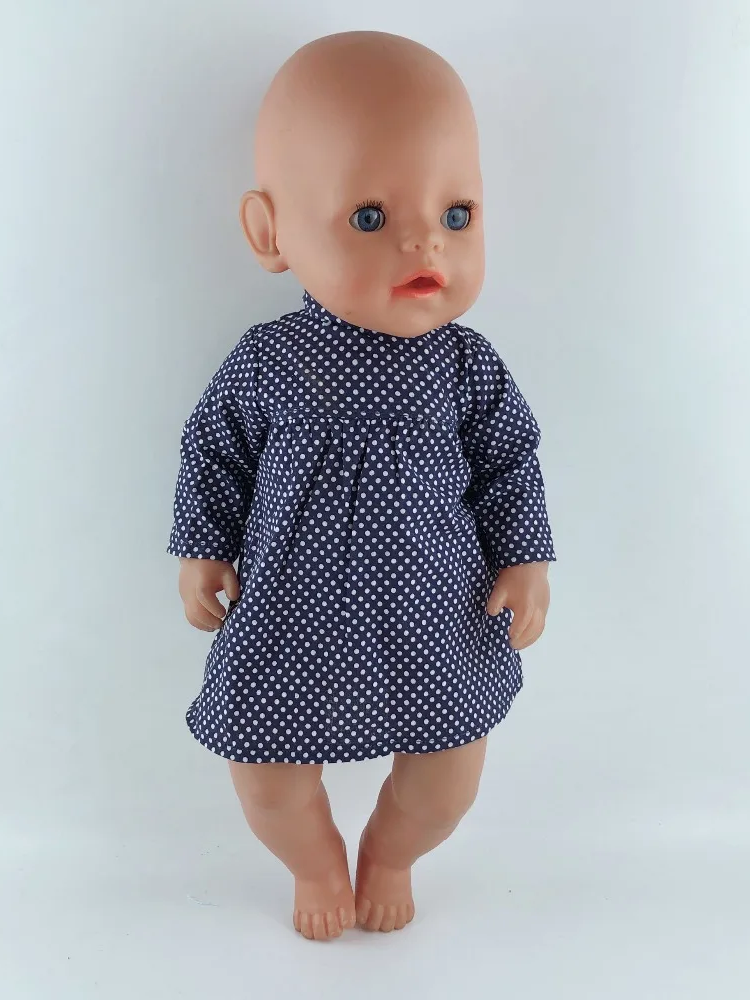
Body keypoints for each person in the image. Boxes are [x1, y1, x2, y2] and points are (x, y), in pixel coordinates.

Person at [168, 30, 556, 940]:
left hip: (436, 615)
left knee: (449, 775)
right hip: (291, 615)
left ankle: (392, 852)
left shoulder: (465, 368)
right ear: (270, 233)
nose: (426, 240)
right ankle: (314, 864)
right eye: (371, 218)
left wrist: (527, 560)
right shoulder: (268, 363)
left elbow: (511, 461)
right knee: (264, 773)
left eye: (457, 213)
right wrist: (201, 548)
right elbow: (213, 452)